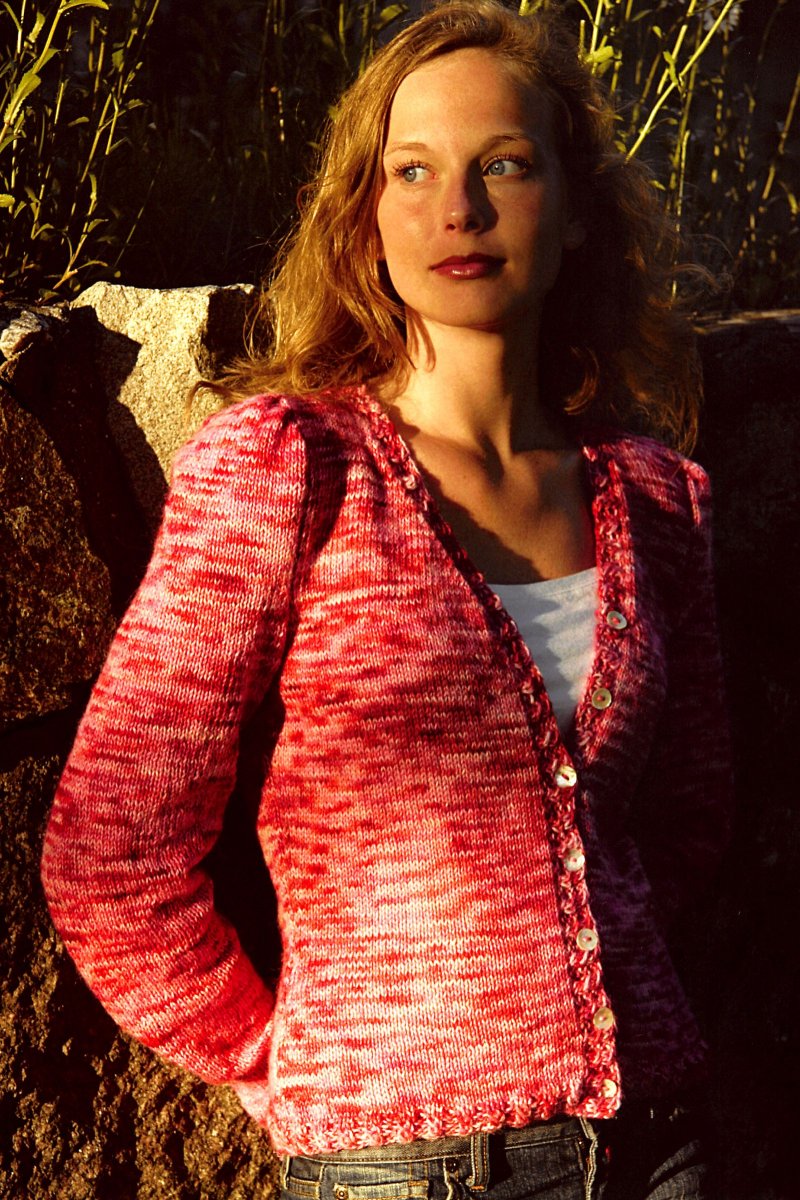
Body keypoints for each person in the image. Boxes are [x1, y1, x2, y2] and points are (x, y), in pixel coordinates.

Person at [41, 2, 732, 1197]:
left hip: (657, 1147)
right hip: (403, 1168)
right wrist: (277, 1059)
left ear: (574, 206)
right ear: (363, 216)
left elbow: (685, 819)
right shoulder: (288, 466)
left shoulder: (654, 497)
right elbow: (113, 847)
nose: (455, 208)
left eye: (502, 165)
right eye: (409, 171)